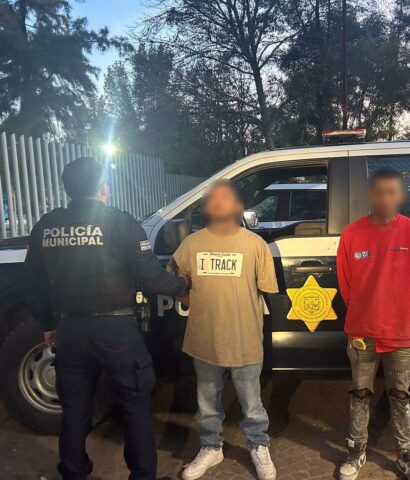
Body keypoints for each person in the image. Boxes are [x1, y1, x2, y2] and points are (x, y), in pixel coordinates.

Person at [24, 157, 190, 480]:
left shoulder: (46, 225)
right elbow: (152, 279)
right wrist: (182, 285)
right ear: (103, 187)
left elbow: (33, 283)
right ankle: (142, 475)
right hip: (117, 332)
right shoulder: (119, 223)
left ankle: (73, 473)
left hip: (69, 330)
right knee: (134, 404)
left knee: (74, 409)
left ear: (68, 189)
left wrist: (47, 323)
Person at [171, 179, 279, 480]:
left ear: (239, 206)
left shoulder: (255, 245)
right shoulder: (191, 244)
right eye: (213, 197)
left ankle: (258, 445)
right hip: (204, 341)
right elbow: (178, 280)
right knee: (207, 404)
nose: (217, 202)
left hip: (245, 340)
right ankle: (211, 447)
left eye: (225, 197)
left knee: (252, 405)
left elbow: (264, 288)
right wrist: (189, 297)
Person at [336, 167, 410, 480]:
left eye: (391, 192)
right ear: (370, 195)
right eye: (379, 192)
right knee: (360, 394)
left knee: (401, 397)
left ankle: (406, 455)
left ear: (401, 195)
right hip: (362, 332)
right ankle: (356, 450)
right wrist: (367, 312)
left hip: (403, 333)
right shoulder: (352, 234)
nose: (385, 198)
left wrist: (398, 311)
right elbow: (346, 285)